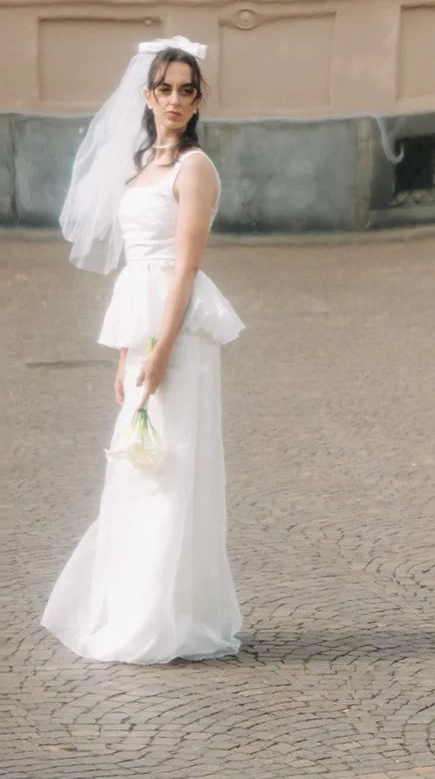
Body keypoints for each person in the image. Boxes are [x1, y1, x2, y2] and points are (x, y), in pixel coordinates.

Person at [41, 36, 244, 663]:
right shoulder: (142, 169)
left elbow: (183, 269)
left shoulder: (195, 168)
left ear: (199, 98)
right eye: (165, 89)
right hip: (141, 327)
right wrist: (127, 356)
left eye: (187, 90)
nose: (176, 100)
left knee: (172, 463)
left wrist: (162, 350)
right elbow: (136, 269)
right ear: (148, 95)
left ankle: (171, 613)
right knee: (135, 464)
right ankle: (131, 603)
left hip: (178, 334)